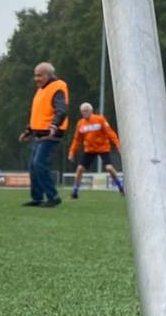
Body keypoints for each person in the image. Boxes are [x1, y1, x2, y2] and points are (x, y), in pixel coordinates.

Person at [19, 62, 68, 208]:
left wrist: (55, 124)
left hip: (51, 133)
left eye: (39, 75)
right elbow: (38, 115)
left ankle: (53, 197)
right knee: (33, 166)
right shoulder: (40, 90)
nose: (36, 78)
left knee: (39, 163)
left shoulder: (58, 87)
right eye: (35, 75)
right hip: (40, 134)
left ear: (48, 75)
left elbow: (61, 109)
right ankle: (37, 198)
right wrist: (28, 131)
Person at [67, 102, 124, 198]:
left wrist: (118, 145)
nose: (84, 113)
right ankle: (75, 192)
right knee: (80, 169)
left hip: (103, 148)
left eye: (86, 111)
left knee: (109, 168)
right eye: (82, 111)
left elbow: (110, 133)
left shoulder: (100, 119)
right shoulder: (80, 124)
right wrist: (72, 152)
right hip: (89, 150)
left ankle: (121, 188)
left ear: (91, 110)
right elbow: (77, 140)